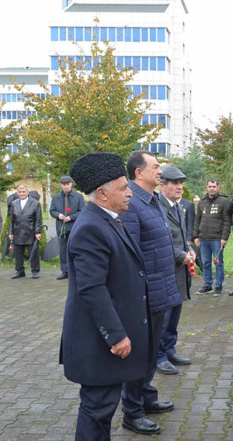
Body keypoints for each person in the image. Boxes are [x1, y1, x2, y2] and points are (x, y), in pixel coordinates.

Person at [60, 152, 153, 440]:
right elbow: (92, 289)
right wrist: (116, 336)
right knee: (97, 409)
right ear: (102, 193)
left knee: (103, 409)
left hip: (105, 341)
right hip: (99, 343)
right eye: (123, 188)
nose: (129, 194)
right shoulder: (90, 227)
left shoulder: (108, 220)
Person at [118, 151, 176, 434]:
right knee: (140, 354)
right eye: (155, 166)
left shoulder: (152, 200)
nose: (160, 170)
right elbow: (131, 254)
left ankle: (146, 397)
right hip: (145, 293)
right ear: (138, 173)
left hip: (160, 288)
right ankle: (132, 411)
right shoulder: (131, 203)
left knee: (152, 351)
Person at [156, 166, 195, 374]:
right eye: (175, 183)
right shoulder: (158, 207)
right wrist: (182, 256)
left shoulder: (178, 207)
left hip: (179, 271)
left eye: (181, 183)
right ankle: (158, 355)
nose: (180, 187)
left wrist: (189, 249)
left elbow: (182, 236)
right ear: (163, 186)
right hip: (166, 270)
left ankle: (169, 349)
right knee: (164, 317)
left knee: (175, 315)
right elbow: (161, 241)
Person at [193, 180, 231, 296]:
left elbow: (227, 221)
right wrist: (195, 236)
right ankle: (208, 285)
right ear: (206, 187)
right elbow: (197, 220)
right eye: (209, 186)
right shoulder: (202, 202)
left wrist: (224, 238)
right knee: (205, 263)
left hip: (217, 239)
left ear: (218, 187)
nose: (211, 189)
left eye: (214, 186)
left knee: (218, 263)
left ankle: (218, 286)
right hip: (203, 238)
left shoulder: (224, 202)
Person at [49, 176, 85, 280]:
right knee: (63, 250)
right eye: (64, 184)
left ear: (71, 184)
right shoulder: (56, 197)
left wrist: (71, 217)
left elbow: (83, 211)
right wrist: (58, 215)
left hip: (74, 227)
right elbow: (52, 211)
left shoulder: (78, 197)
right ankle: (65, 271)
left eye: (68, 184)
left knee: (75, 249)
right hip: (61, 228)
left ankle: (76, 270)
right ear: (61, 185)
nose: (66, 186)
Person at [8, 185, 42, 279]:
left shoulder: (35, 203)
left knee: (33, 252)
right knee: (18, 253)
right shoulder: (14, 203)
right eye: (20, 192)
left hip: (30, 231)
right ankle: (20, 271)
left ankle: (35, 270)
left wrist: (38, 232)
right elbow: (11, 219)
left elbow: (38, 219)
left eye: (23, 192)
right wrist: (10, 232)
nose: (22, 193)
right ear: (17, 193)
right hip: (17, 231)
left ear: (27, 192)